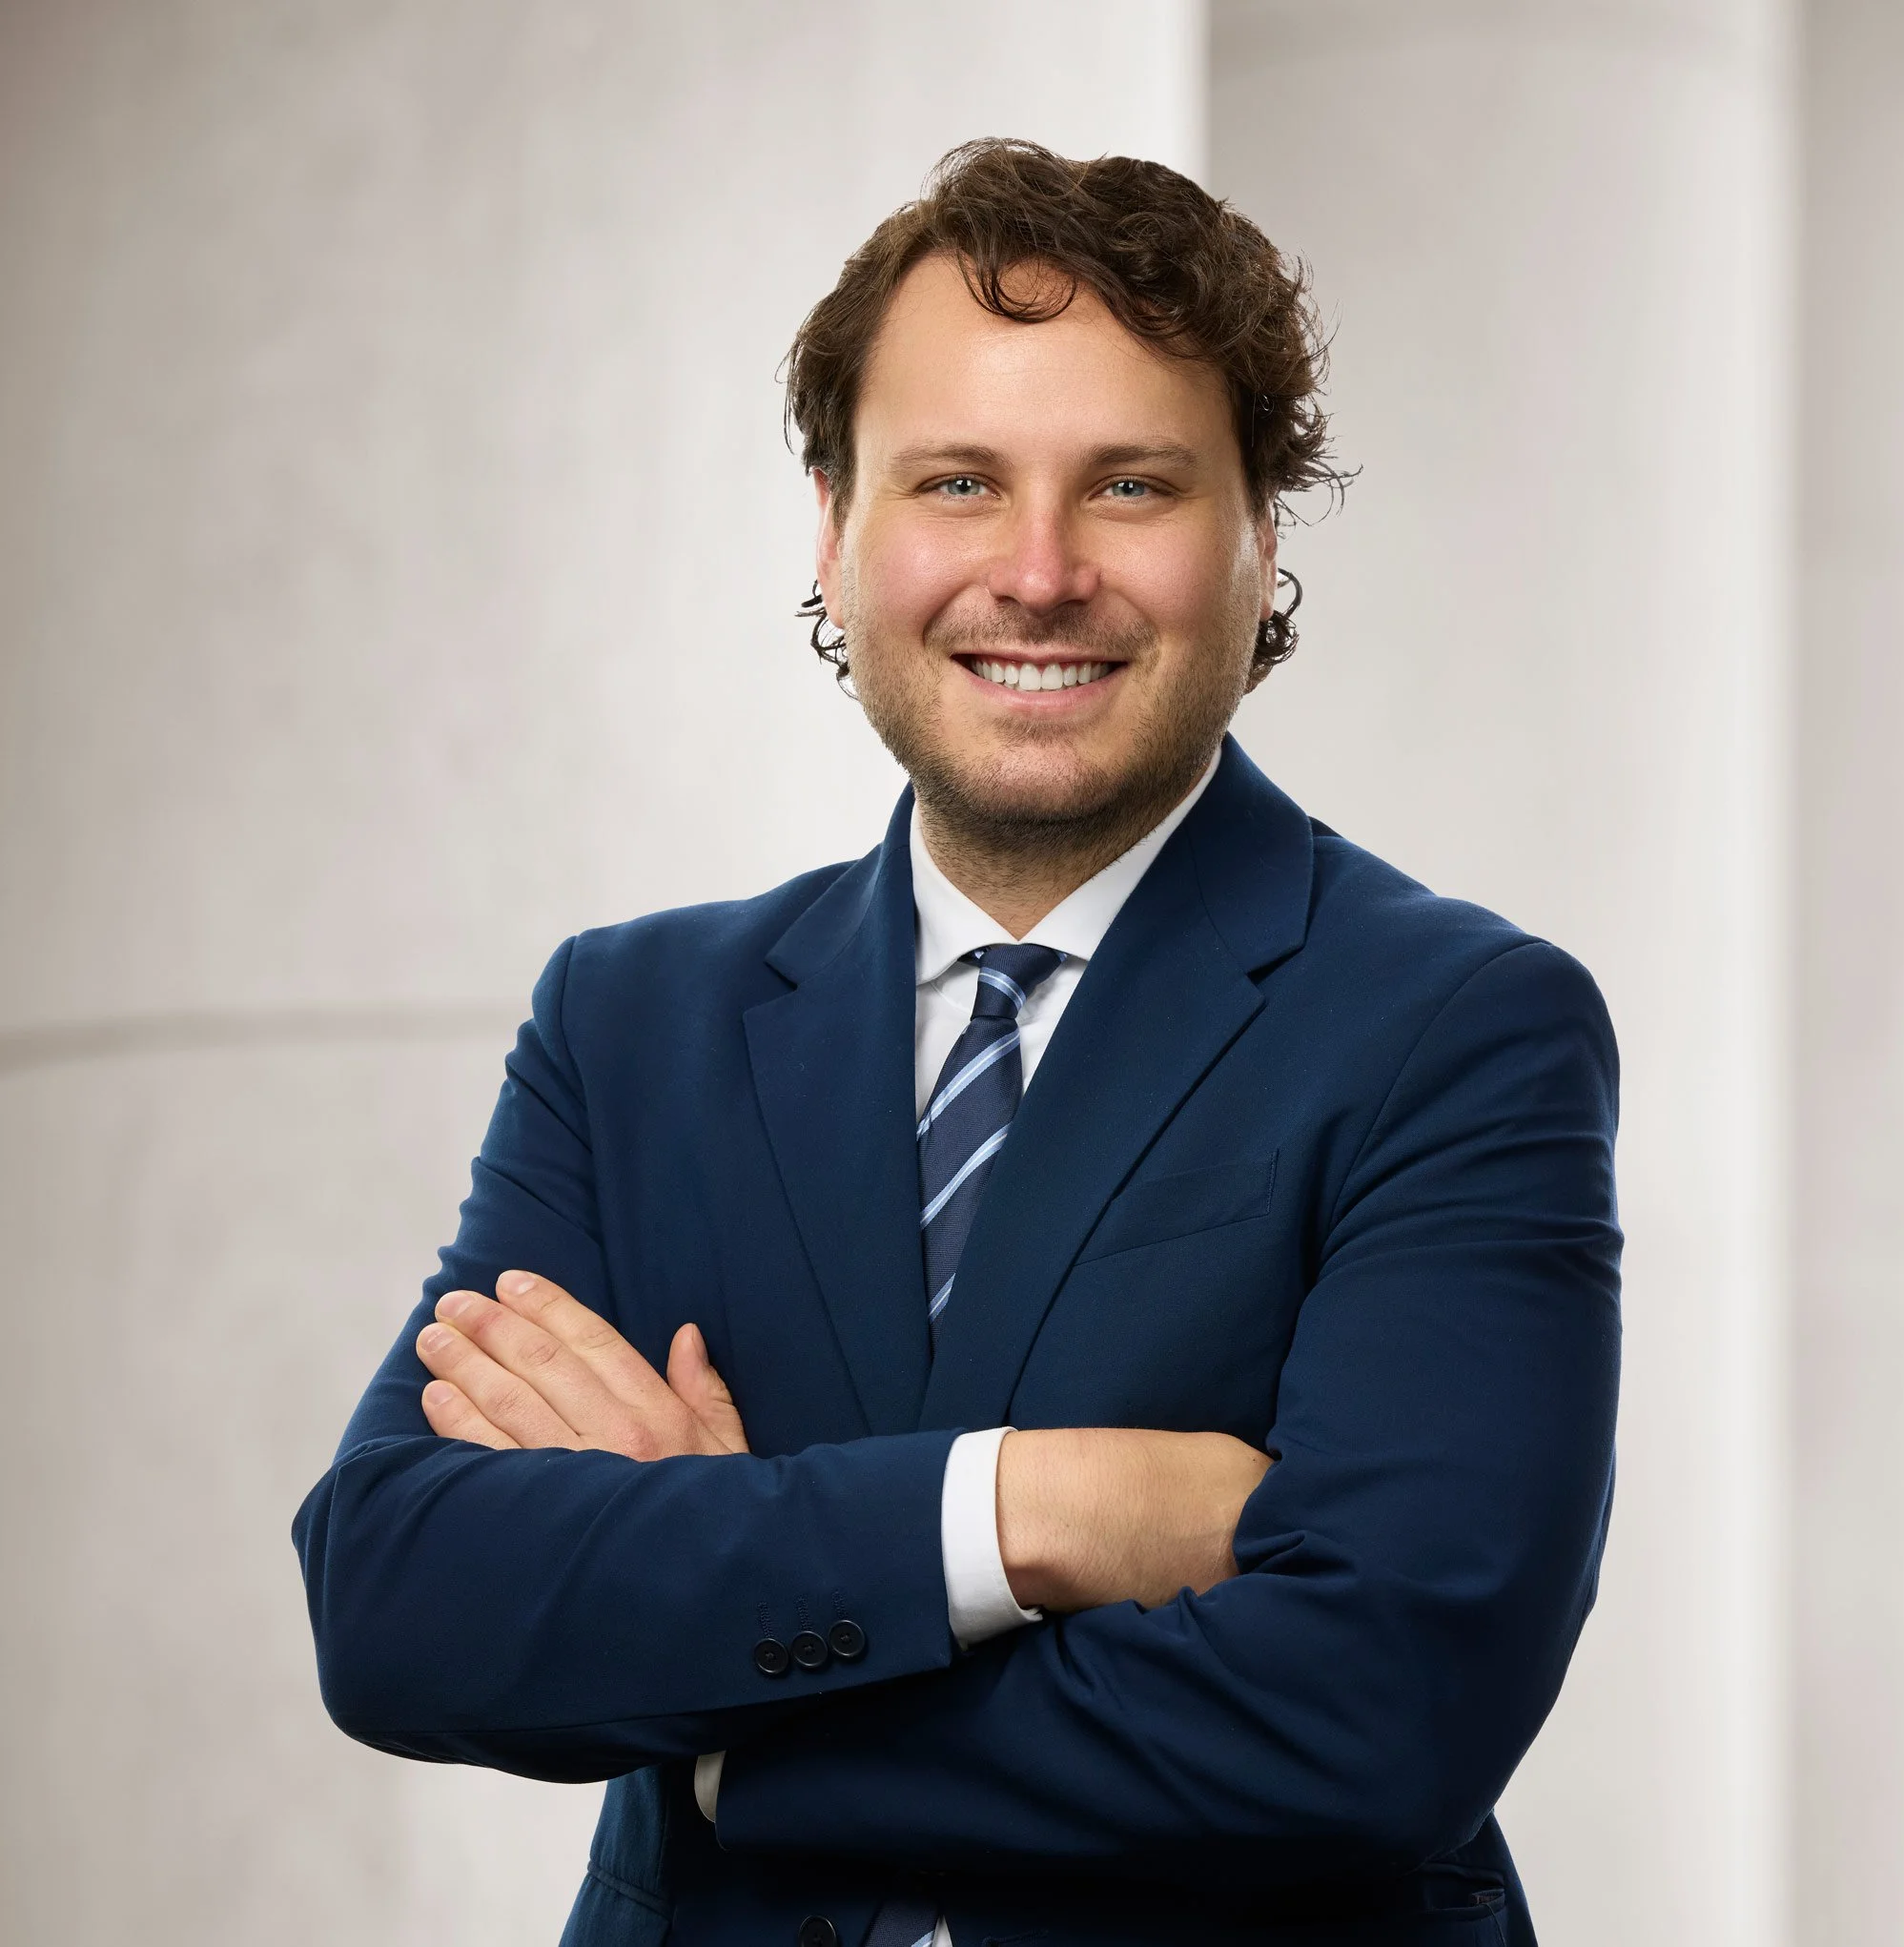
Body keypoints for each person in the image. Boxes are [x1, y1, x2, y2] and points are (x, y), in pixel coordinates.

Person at [294, 139, 1621, 1947]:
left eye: (1132, 484)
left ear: (1260, 541)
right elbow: (401, 1598)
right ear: (837, 531)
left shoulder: (1460, 1026)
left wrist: (730, 1698)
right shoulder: (631, 1022)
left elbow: (1379, 1708)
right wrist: (1032, 1507)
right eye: (959, 480)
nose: (1042, 569)